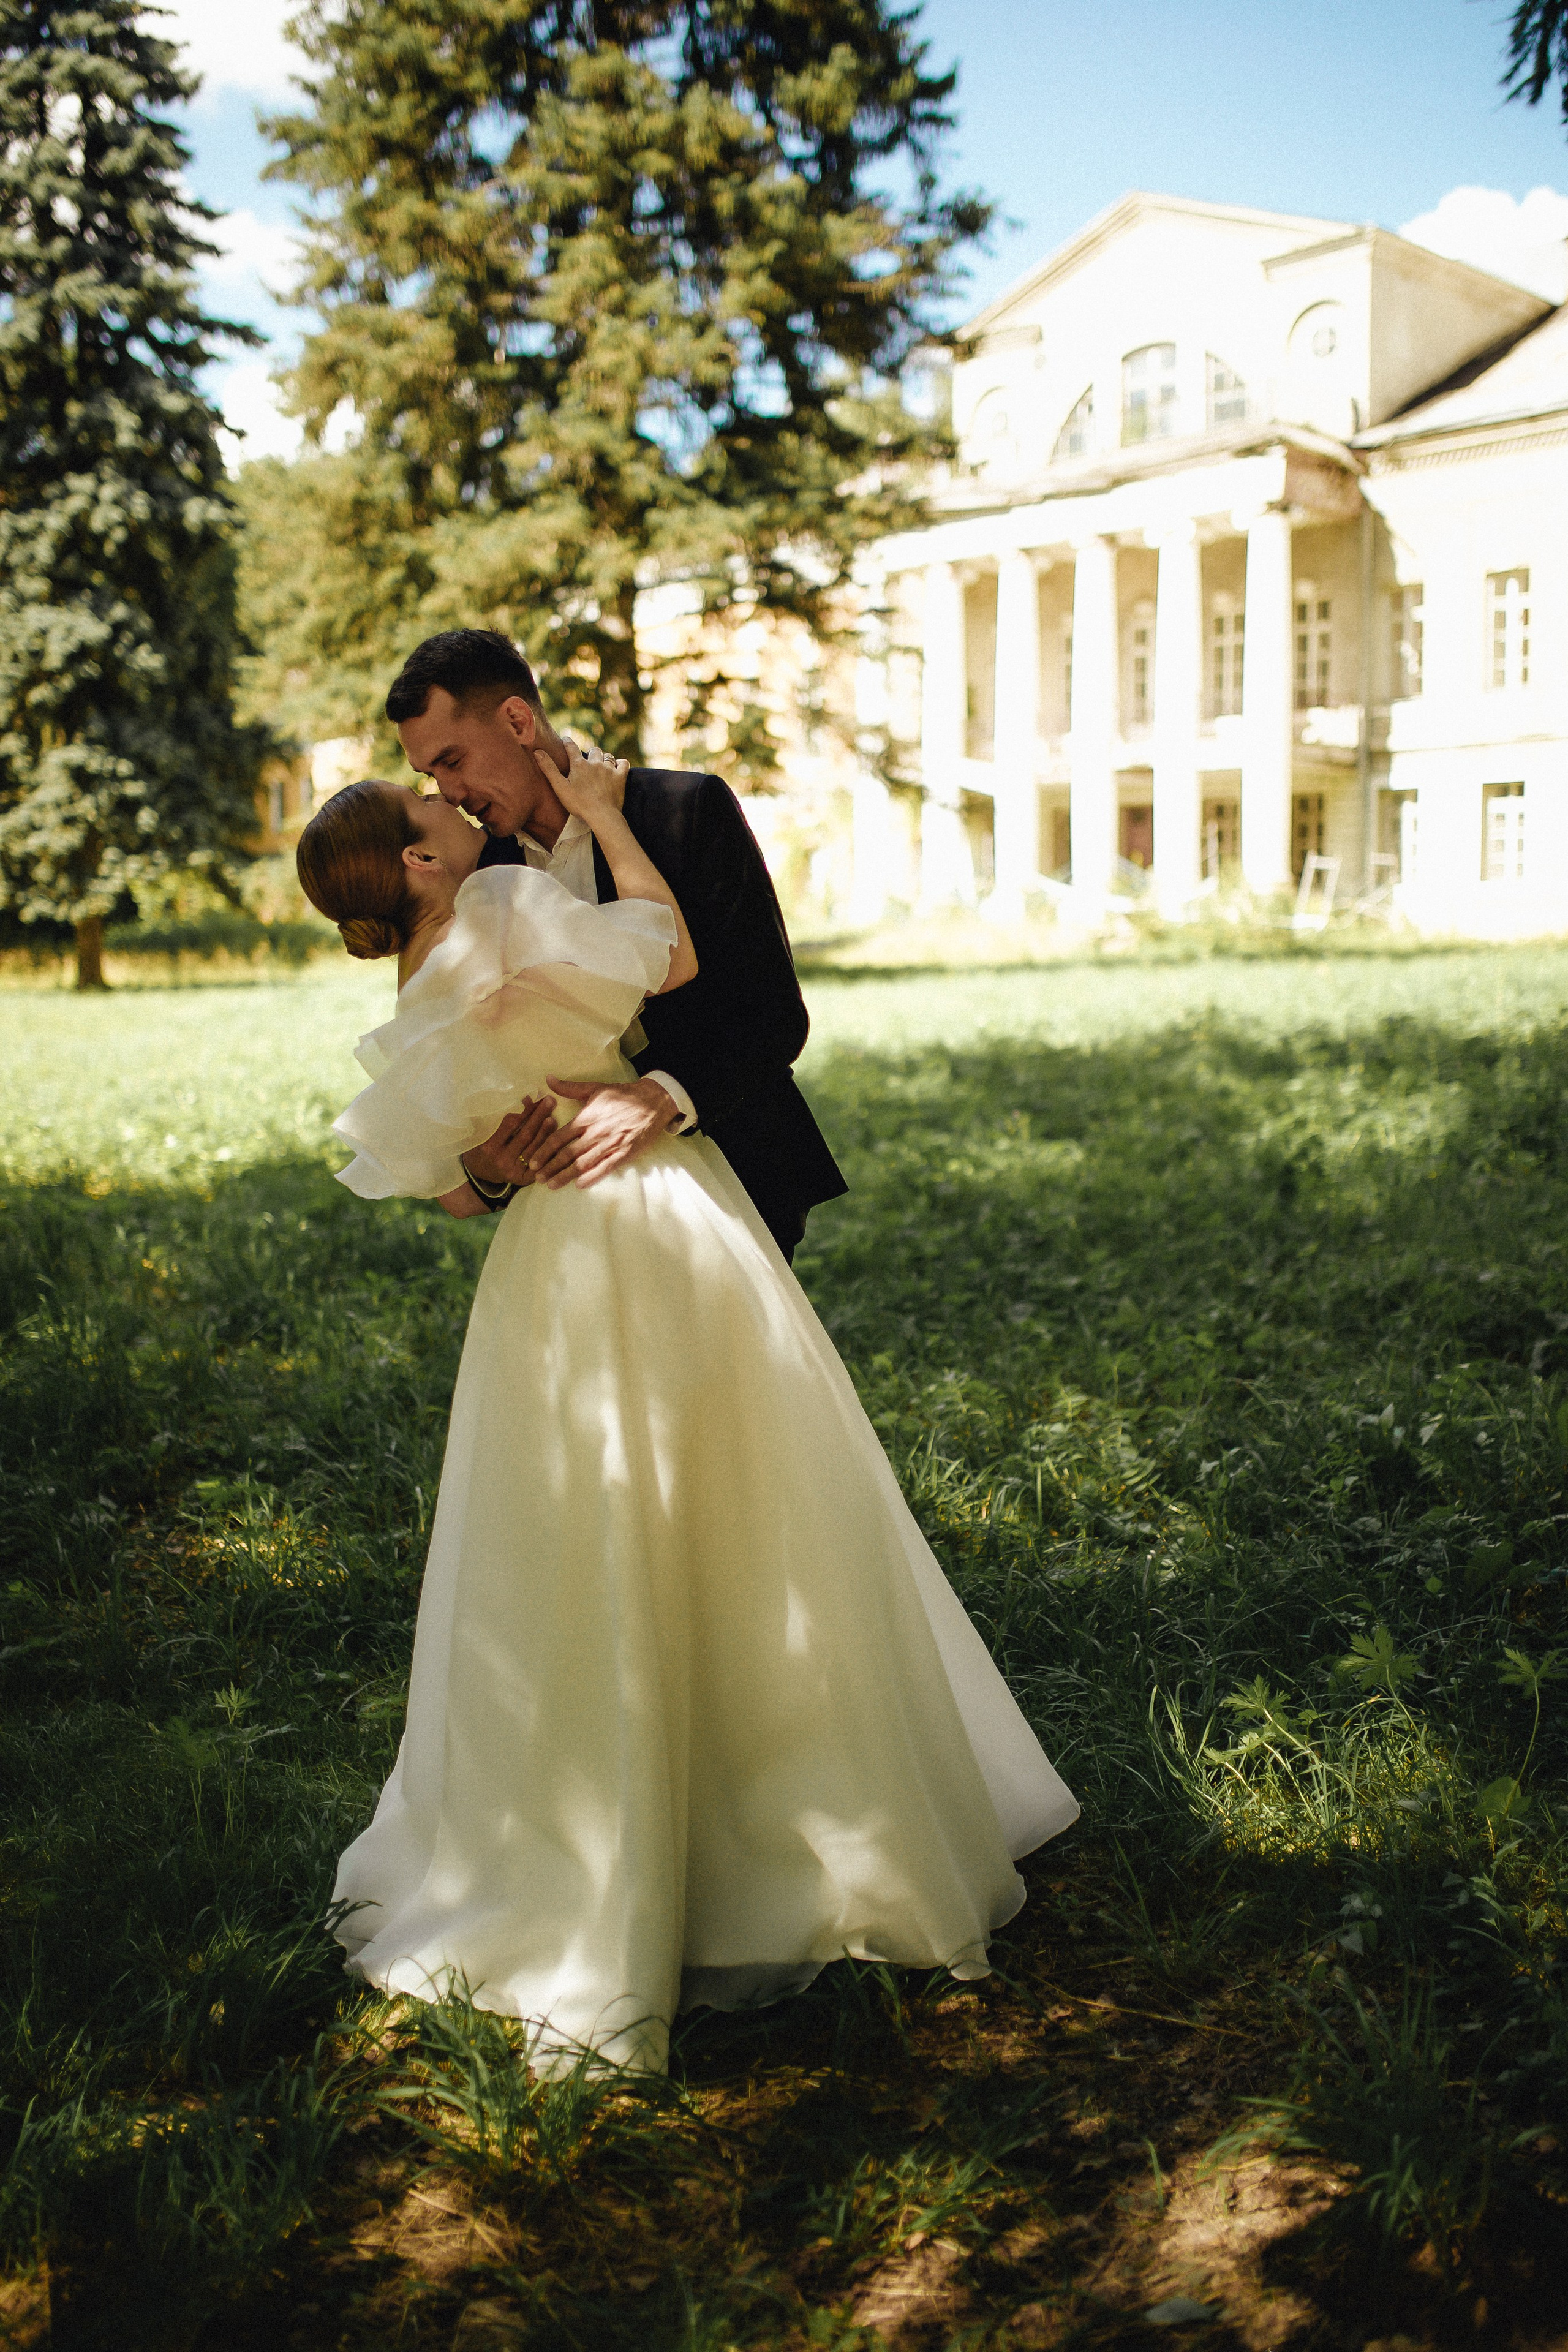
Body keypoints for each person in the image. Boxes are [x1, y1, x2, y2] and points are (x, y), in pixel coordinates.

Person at [296, 747, 1079, 2073]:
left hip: (545, 1259)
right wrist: (603, 816)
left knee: (573, 1525)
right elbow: (663, 956)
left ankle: (579, 1825)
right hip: (652, 1221)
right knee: (747, 1491)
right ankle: (781, 1813)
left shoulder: (416, 988)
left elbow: (440, 1183)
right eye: (433, 805)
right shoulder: (500, 908)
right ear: (424, 863)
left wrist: (495, 1150)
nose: (456, 807)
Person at [384, 627, 846, 1264]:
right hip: (581, 1215)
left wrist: (661, 1098)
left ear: (517, 721)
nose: (451, 794)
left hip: (738, 1180)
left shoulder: (686, 810)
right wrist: (489, 1168)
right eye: (429, 774)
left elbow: (772, 1015)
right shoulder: (477, 874)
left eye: (453, 760)